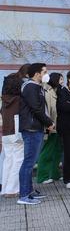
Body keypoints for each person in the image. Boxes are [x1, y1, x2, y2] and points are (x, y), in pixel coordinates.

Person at [17, 63, 54, 205]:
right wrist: (49, 122)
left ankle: (29, 192)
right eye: (45, 71)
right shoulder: (31, 87)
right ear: (37, 74)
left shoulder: (36, 87)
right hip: (31, 129)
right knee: (28, 162)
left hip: (35, 128)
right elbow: (37, 109)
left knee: (31, 162)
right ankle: (24, 195)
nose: (47, 74)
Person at [1, 64, 29, 197]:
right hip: (17, 131)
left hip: (6, 132)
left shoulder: (4, 101)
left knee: (8, 160)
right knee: (18, 159)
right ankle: (13, 189)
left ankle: (5, 188)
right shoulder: (19, 100)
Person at [35, 72, 62, 185]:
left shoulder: (57, 91)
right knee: (47, 152)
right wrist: (49, 125)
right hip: (51, 126)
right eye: (61, 79)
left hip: (59, 126)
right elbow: (48, 110)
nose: (62, 82)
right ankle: (42, 176)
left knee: (57, 151)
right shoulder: (48, 91)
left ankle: (55, 174)